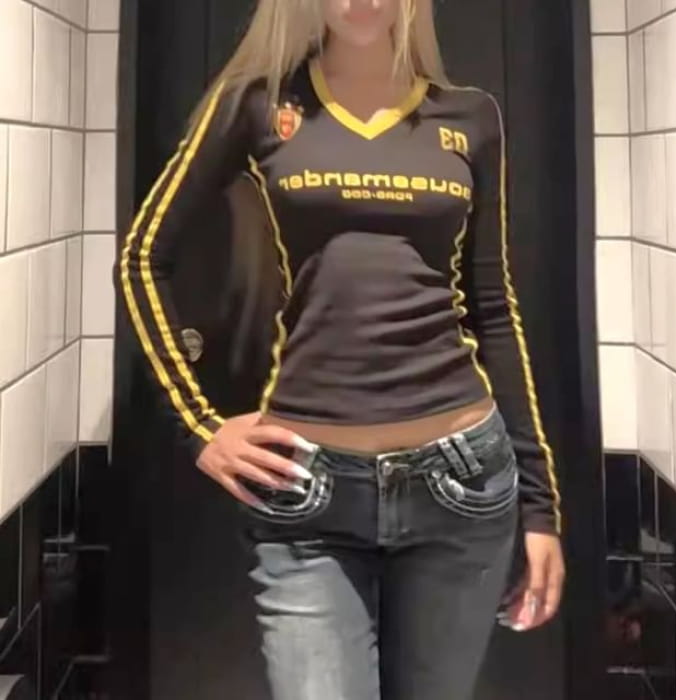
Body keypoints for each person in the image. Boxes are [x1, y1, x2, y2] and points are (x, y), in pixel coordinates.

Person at [119, 0, 565, 698]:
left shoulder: (471, 117)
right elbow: (143, 258)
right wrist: (200, 427)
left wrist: (540, 507)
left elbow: (494, 310)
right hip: (309, 496)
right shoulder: (259, 105)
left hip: (462, 484)